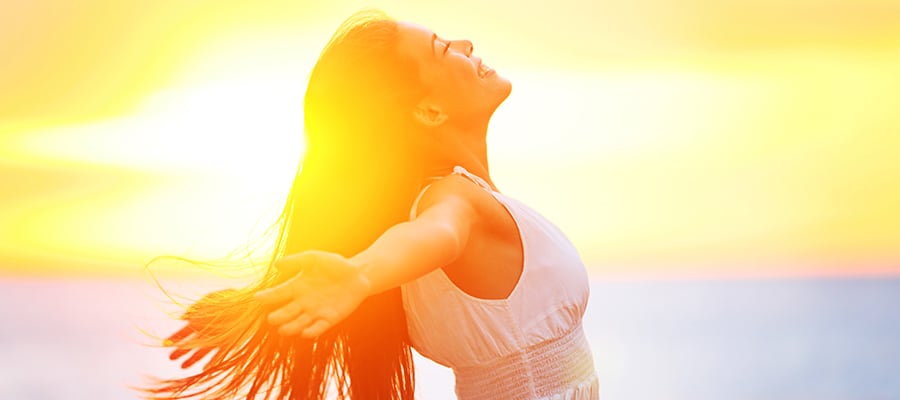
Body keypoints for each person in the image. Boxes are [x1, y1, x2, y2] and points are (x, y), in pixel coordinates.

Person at [147, 9, 598, 400]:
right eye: (444, 49)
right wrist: (361, 274)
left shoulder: (429, 208)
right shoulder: (452, 201)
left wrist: (255, 311)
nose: (466, 44)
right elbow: (439, 232)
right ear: (430, 112)